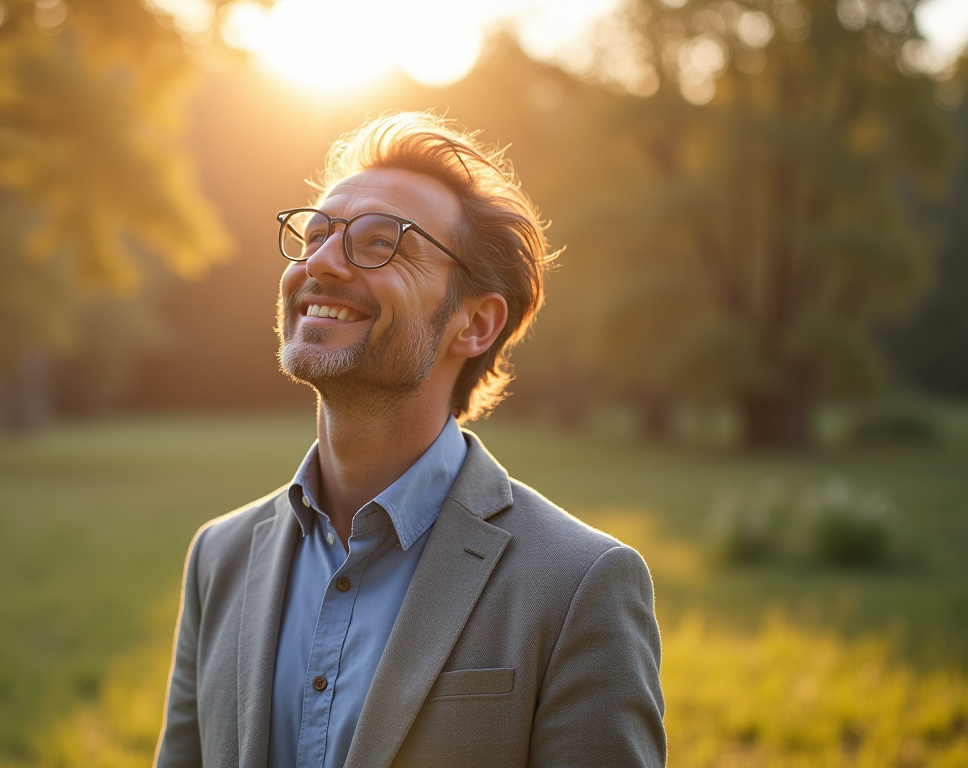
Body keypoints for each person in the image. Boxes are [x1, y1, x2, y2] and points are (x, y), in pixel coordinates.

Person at [155, 111, 666, 768]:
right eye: (316, 235)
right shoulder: (217, 559)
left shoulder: (579, 586)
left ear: (476, 323)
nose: (322, 263)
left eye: (379, 243)